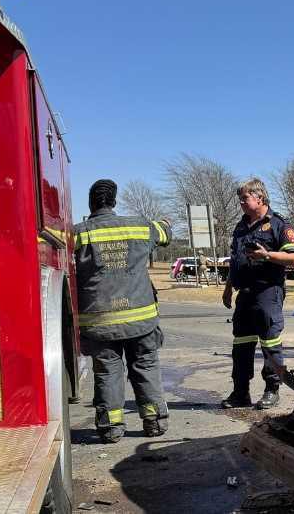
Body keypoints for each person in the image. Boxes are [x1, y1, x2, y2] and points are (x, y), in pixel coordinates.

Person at [73, 179, 173, 443]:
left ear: (91, 203)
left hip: (100, 321)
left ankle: (111, 427)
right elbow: (164, 234)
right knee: (145, 366)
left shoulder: (80, 233)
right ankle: (154, 422)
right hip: (141, 319)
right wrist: (164, 224)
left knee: (107, 372)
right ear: (114, 202)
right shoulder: (140, 226)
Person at [221, 178, 294, 409]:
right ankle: (240, 392)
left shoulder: (279, 224)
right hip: (243, 294)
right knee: (241, 345)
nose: (241, 203)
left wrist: (267, 255)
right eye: (240, 199)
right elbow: (236, 261)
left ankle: (272, 389)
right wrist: (228, 288)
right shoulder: (240, 226)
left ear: (260, 198)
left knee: (270, 342)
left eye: (245, 199)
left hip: (268, 292)